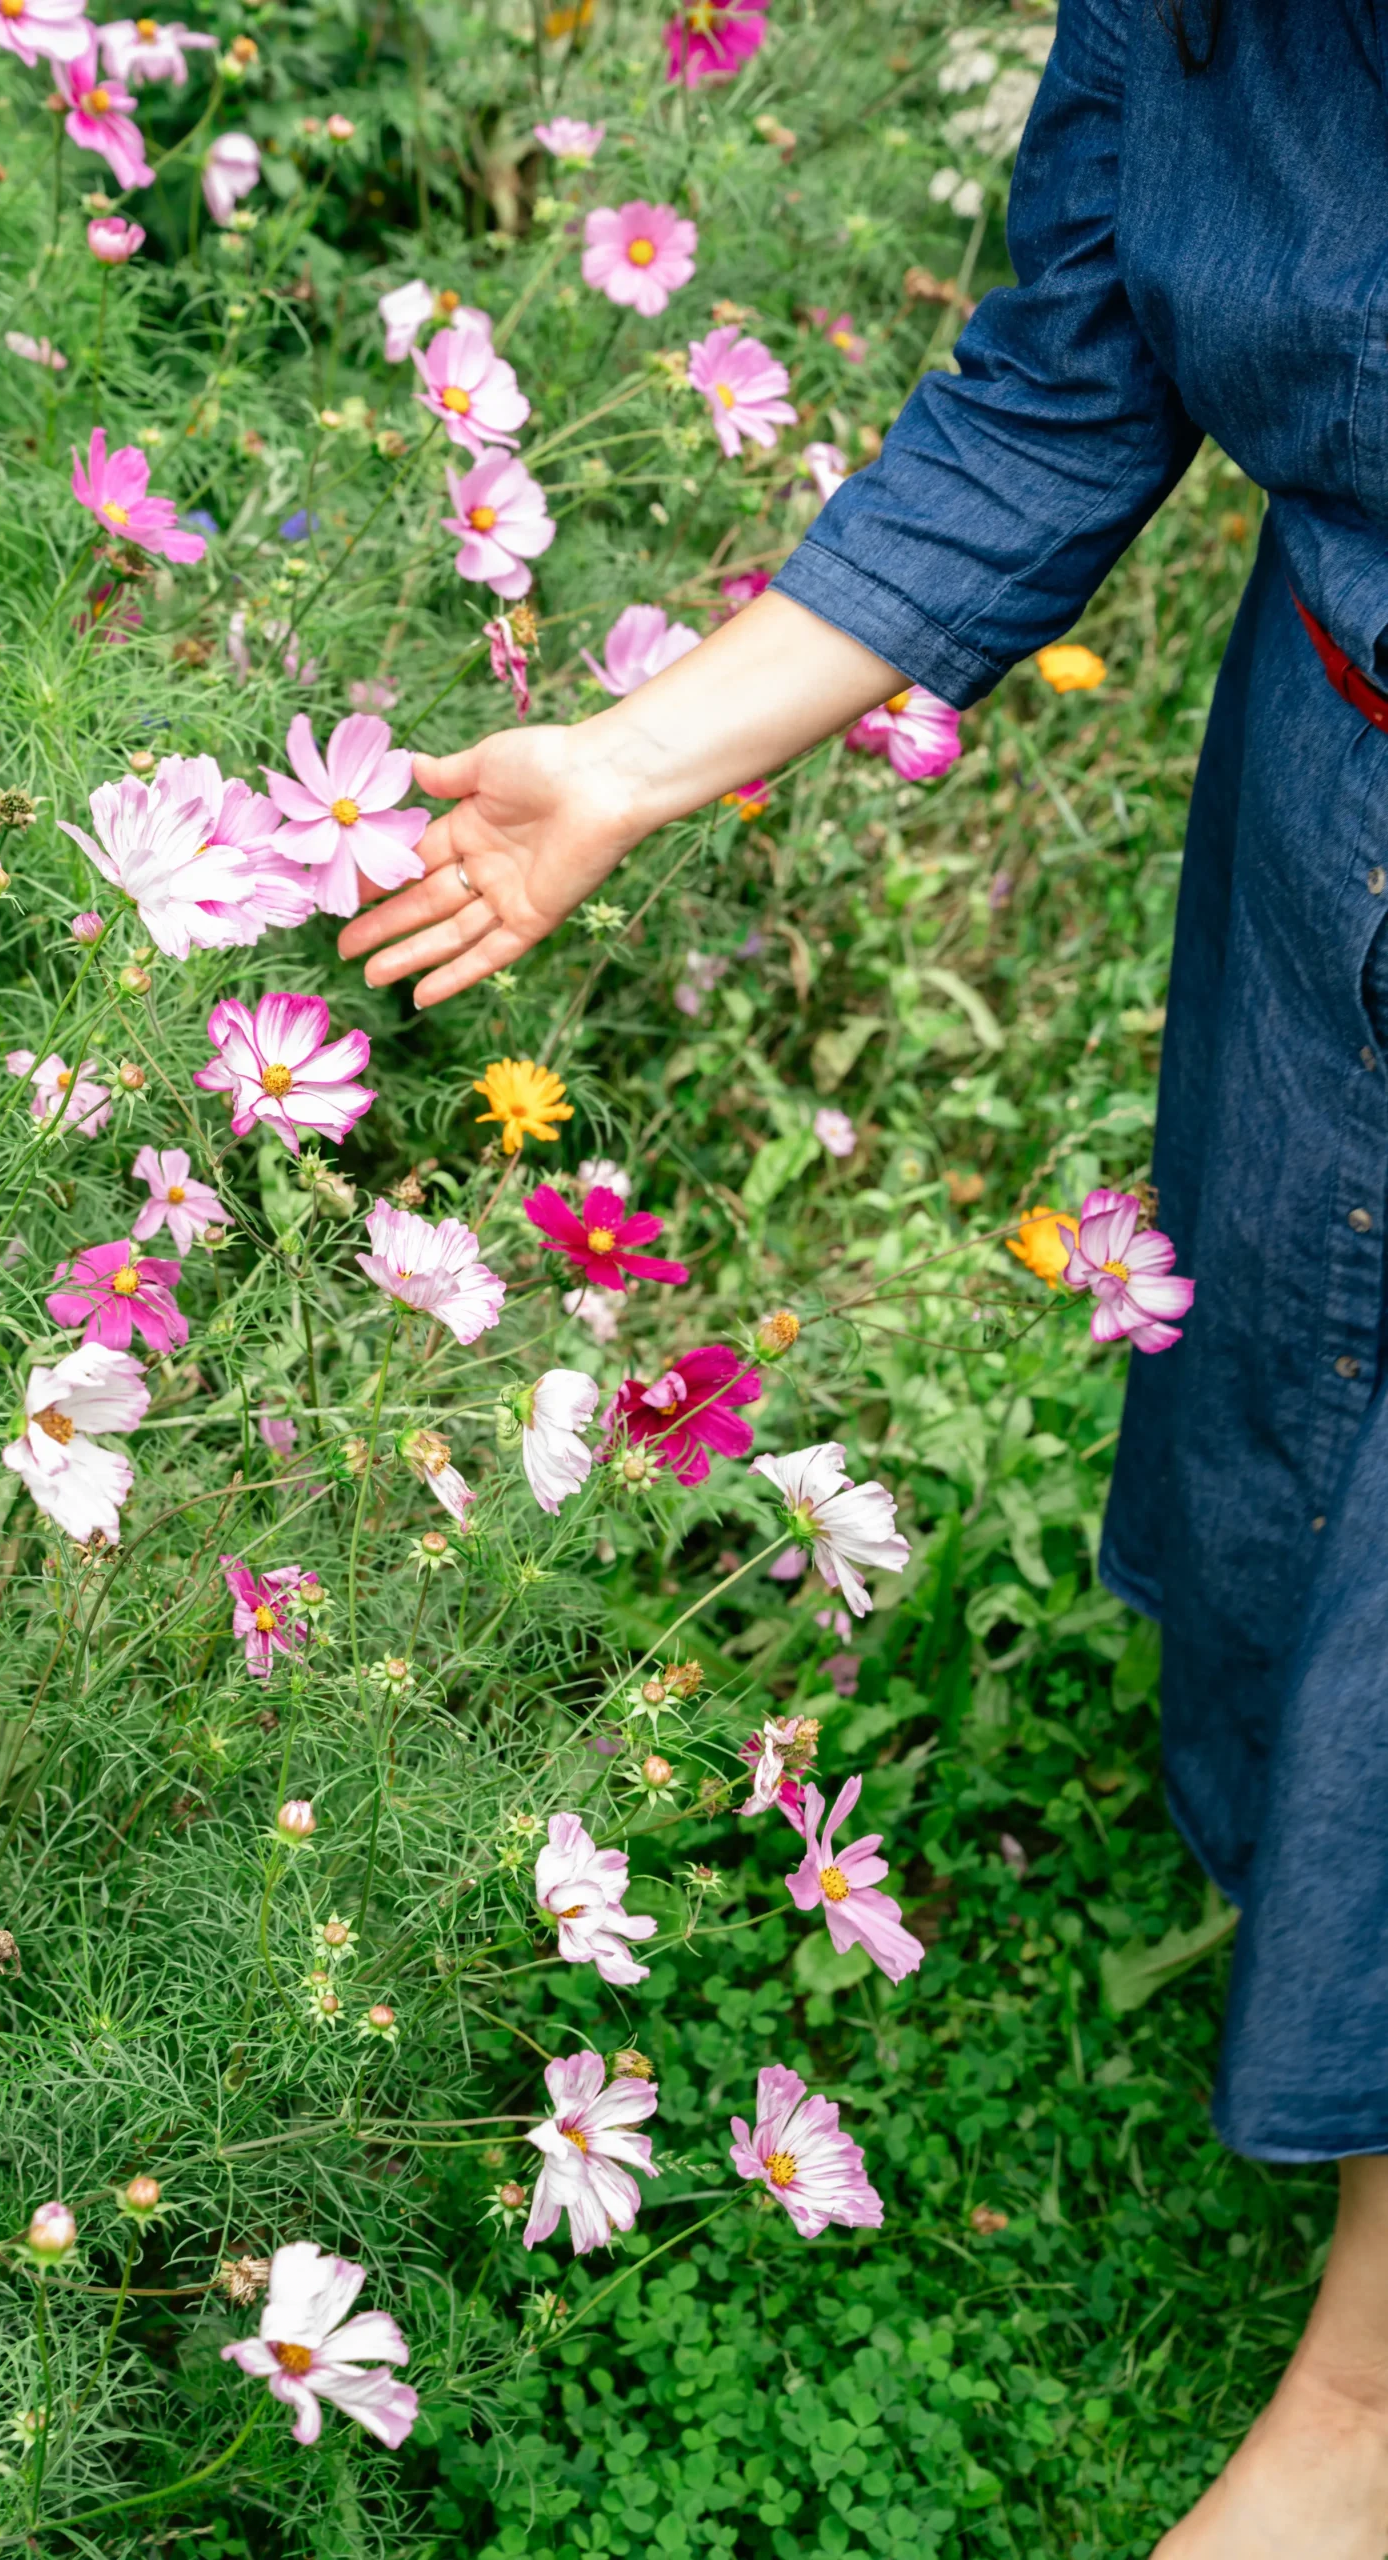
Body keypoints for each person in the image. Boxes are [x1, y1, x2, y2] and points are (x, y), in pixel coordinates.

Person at [339, 3, 1388, 2548]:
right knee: (1289, 1409)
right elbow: (1075, 373)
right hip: (1335, 785)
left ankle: (1362, 2408)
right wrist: (627, 757)